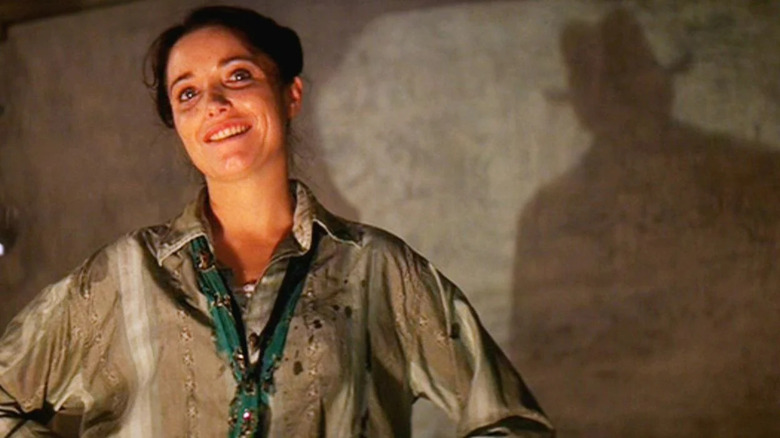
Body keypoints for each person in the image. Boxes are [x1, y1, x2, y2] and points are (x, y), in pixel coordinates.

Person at [0, 6, 553, 437]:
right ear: (179, 125)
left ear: (290, 95)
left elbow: (511, 421)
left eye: (238, 76)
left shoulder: (379, 270)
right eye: (187, 93)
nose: (213, 103)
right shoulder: (122, 276)